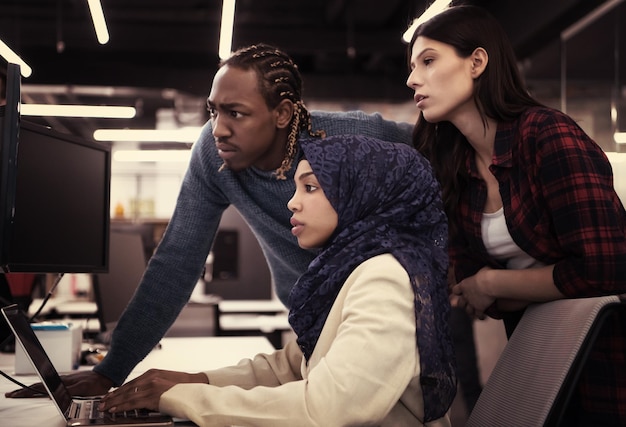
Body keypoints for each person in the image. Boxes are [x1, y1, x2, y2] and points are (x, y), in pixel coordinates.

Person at [6, 43, 413, 398]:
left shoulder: (351, 139)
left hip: (377, 316)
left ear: (283, 113)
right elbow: (177, 261)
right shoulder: (213, 155)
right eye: (214, 111)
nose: (218, 128)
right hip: (310, 326)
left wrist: (461, 258)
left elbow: (442, 145)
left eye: (236, 113)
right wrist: (110, 370)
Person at [97, 133, 456, 426]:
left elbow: (328, 409)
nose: (292, 203)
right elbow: (292, 366)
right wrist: (195, 381)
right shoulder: (351, 267)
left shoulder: (386, 277)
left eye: (310, 187)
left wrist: (181, 398)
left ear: (358, 194)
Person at [405, 5, 626, 426]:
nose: (412, 78)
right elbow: (468, 287)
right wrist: (487, 287)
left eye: (428, 61)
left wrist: (495, 282)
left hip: (606, 359)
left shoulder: (547, 135)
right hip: (540, 352)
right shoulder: (456, 167)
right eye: (413, 66)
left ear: (477, 62)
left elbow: (609, 268)